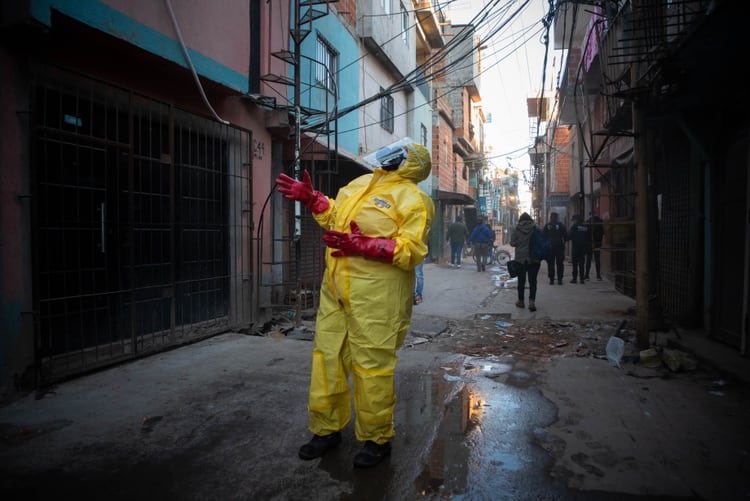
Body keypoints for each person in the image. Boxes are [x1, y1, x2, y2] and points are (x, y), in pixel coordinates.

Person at [274, 140, 434, 468]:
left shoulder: (414, 199)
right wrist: (314, 199)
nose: (388, 156)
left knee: (372, 368)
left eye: (397, 155)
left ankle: (376, 439)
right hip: (336, 292)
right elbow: (335, 217)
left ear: (409, 164)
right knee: (327, 360)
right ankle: (326, 429)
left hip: (378, 298)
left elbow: (411, 251)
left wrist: (364, 246)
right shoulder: (358, 184)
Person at [510, 212, 541, 311]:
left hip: (520, 259)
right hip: (534, 258)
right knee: (533, 281)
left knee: (521, 281)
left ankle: (521, 301)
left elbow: (512, 243)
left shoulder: (516, 229)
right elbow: (541, 241)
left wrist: (520, 243)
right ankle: (532, 302)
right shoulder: (536, 228)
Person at [542, 212, 568, 285]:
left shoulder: (547, 226)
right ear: (557, 218)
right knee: (559, 264)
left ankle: (552, 279)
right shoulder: (561, 225)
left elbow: (543, 237)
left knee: (550, 264)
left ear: (550, 218)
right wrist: (563, 243)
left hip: (550, 248)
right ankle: (559, 279)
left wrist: (545, 245)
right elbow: (566, 236)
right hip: (559, 247)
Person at [568, 214, 591, 284]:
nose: (573, 222)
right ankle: (581, 279)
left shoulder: (574, 227)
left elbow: (569, 236)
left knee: (575, 264)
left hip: (575, 248)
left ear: (576, 220)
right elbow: (589, 237)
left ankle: (574, 279)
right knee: (581, 264)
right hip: (583, 248)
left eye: (574, 220)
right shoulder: (586, 227)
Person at [585, 212, 604, 280]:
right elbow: (603, 232)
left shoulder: (587, 222)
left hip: (589, 243)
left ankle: (587, 275)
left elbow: (585, 233)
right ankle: (598, 275)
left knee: (588, 259)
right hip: (598, 242)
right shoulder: (601, 221)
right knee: (597, 259)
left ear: (590, 215)